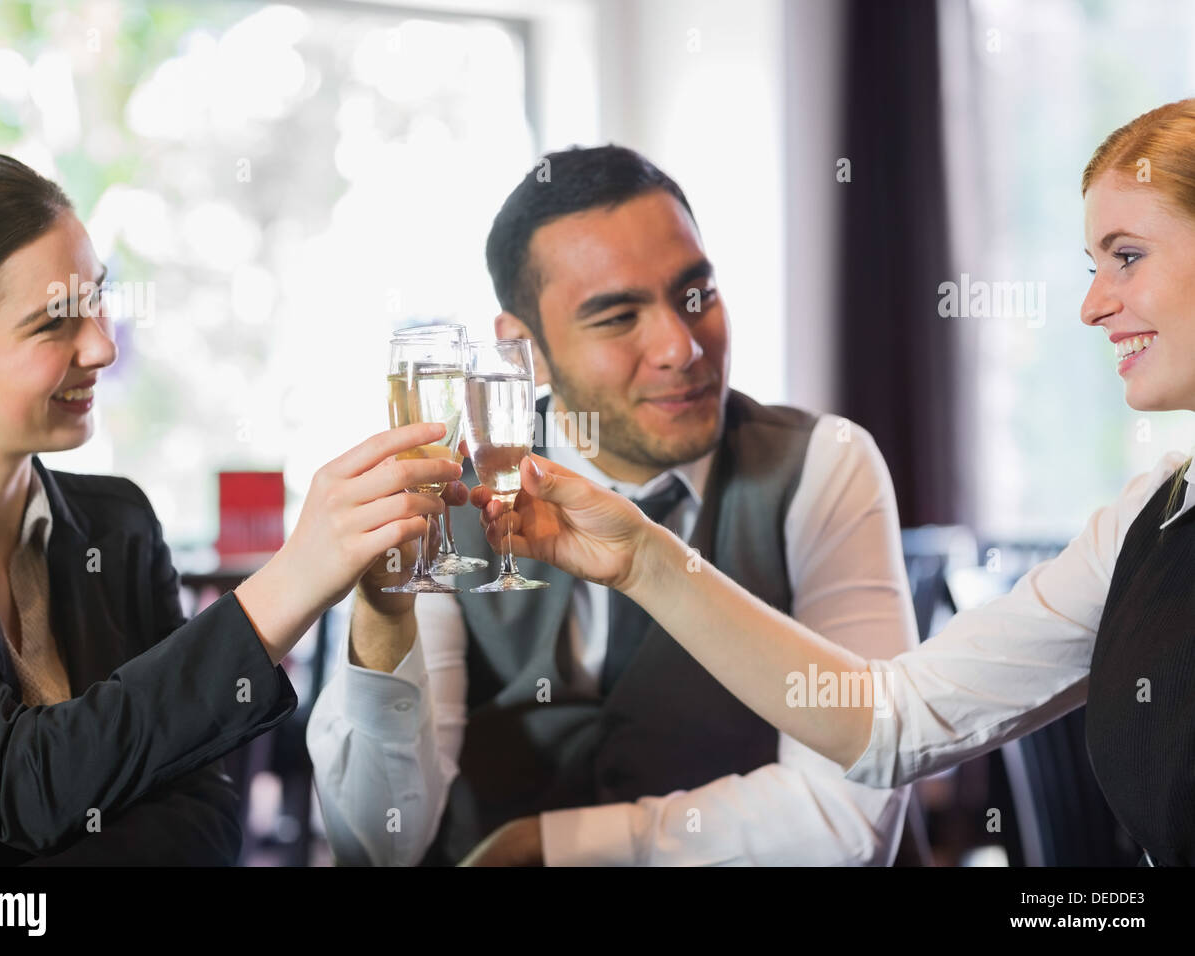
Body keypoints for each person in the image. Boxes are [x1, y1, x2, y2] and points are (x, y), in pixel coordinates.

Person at [469, 100, 1195, 868]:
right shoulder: (1148, 524)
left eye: (1126, 256)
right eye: (1094, 267)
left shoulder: (823, 460)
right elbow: (894, 723)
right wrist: (646, 561)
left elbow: (853, 819)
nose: (1092, 306)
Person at [308, 145, 920, 866]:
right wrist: (383, 617)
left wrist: (554, 846)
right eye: (618, 316)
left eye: (696, 295)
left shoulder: (822, 462)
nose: (681, 346)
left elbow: (852, 815)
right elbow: (378, 843)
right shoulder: (452, 493)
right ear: (524, 350)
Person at [0, 151, 462, 865]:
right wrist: (292, 581)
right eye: (52, 325)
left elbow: (205, 808)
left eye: (97, 299)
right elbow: (19, 786)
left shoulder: (117, 523)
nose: (101, 345)